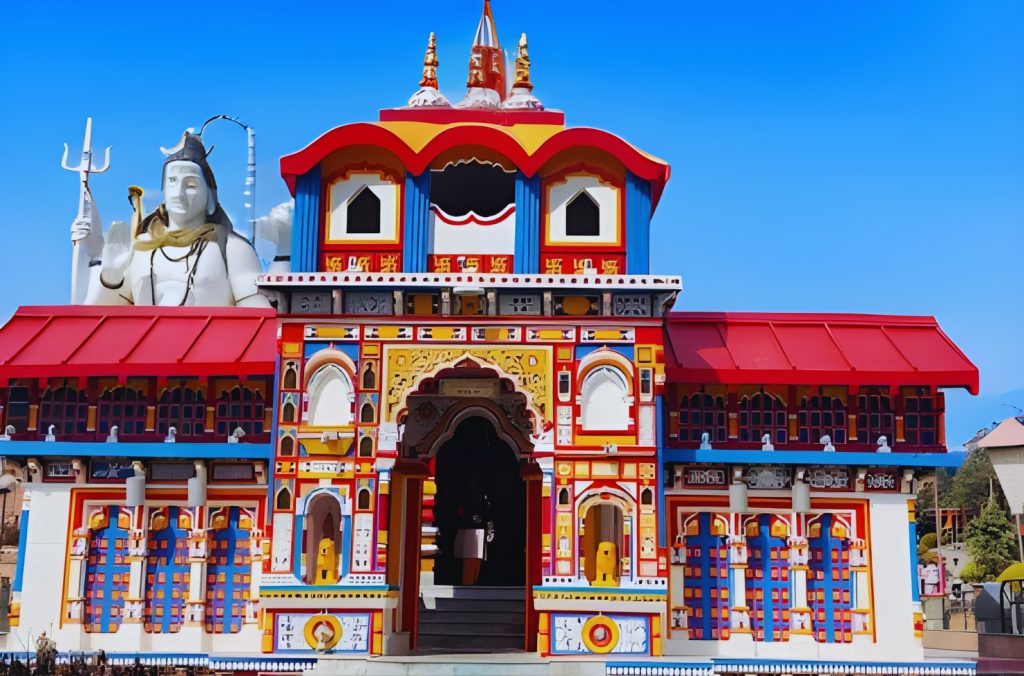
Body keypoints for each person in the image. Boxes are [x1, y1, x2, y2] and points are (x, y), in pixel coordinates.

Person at [77, 132, 269, 307]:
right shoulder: (140, 247)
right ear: (163, 190)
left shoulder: (231, 247)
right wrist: (111, 277)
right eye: (172, 181)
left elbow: (257, 314)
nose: (179, 193)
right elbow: (95, 323)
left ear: (210, 195)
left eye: (191, 184)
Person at [454, 480, 494, 585]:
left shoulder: (483, 498)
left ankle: (474, 582)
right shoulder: (462, 499)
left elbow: (488, 515)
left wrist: (490, 529)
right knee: (465, 560)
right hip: (465, 530)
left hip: (479, 530)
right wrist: (468, 519)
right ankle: (466, 582)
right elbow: (458, 513)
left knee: (477, 559)